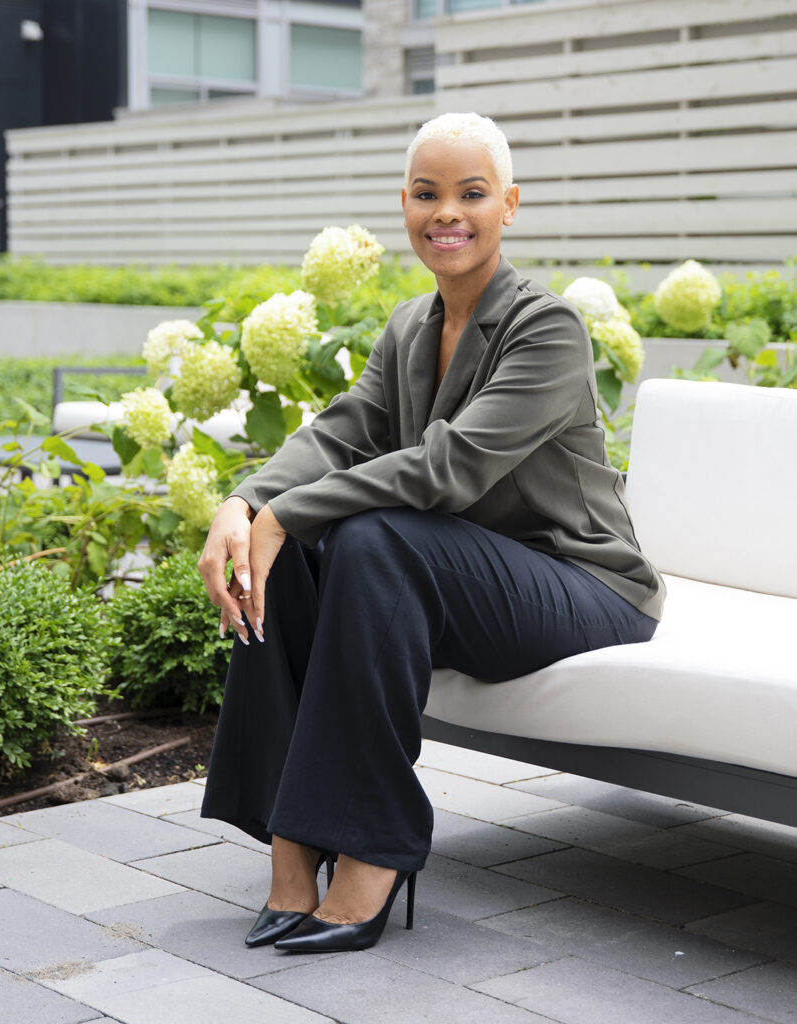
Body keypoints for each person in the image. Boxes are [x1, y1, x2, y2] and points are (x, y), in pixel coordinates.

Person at [197, 112, 665, 954]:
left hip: (579, 585)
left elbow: (446, 470)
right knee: (303, 545)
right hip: (462, 578)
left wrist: (286, 512)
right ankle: (292, 849)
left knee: (368, 536)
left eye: (471, 194)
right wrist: (243, 505)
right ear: (404, 205)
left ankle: (373, 849)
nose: (446, 212)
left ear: (508, 206)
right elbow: (339, 433)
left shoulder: (547, 329)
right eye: (426, 194)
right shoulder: (410, 326)